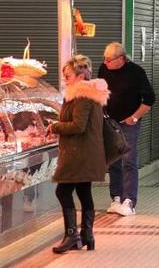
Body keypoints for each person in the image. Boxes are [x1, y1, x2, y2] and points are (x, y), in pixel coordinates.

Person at [46, 54, 108, 253]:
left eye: (68, 76)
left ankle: (72, 235)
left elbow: (78, 126)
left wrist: (55, 127)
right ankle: (87, 235)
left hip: (79, 153)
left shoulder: (81, 95)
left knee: (62, 191)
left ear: (80, 76)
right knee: (83, 191)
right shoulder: (88, 93)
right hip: (87, 151)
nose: (65, 79)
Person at [99, 42, 154, 217]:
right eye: (104, 59)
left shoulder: (136, 72)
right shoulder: (103, 69)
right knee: (113, 160)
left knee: (128, 160)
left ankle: (129, 200)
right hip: (109, 121)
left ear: (121, 58)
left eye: (109, 60)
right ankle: (116, 197)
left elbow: (150, 99)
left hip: (129, 122)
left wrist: (135, 117)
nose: (106, 62)